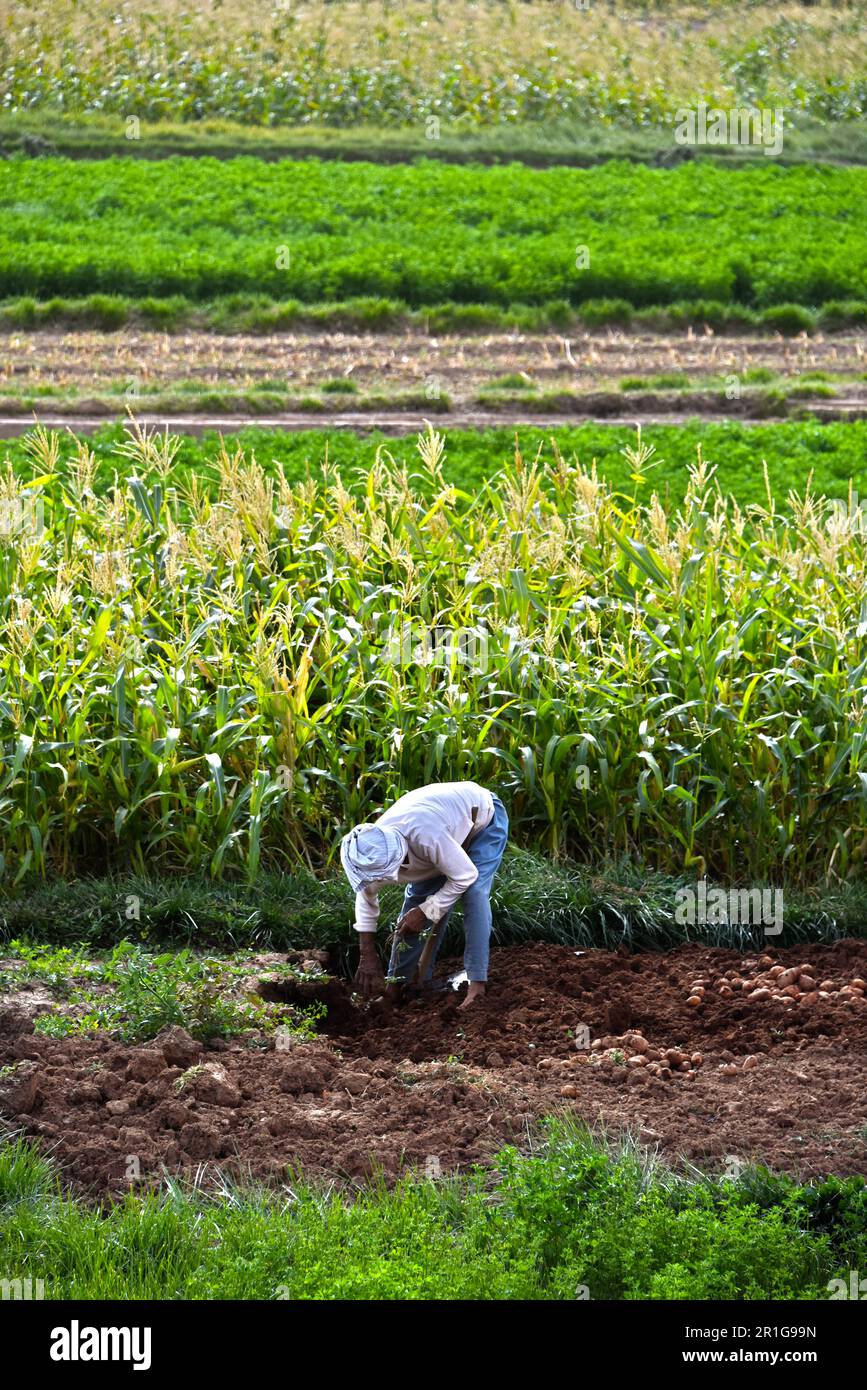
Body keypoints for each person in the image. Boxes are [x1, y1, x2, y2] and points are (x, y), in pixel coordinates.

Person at [340, 781, 509, 1009]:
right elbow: (366, 900)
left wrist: (426, 911)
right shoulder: (368, 855)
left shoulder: (425, 835)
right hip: (443, 834)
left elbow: (465, 876)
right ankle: (396, 989)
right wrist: (366, 953)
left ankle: (477, 986)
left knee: (473, 892)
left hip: (481, 820)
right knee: (411, 914)